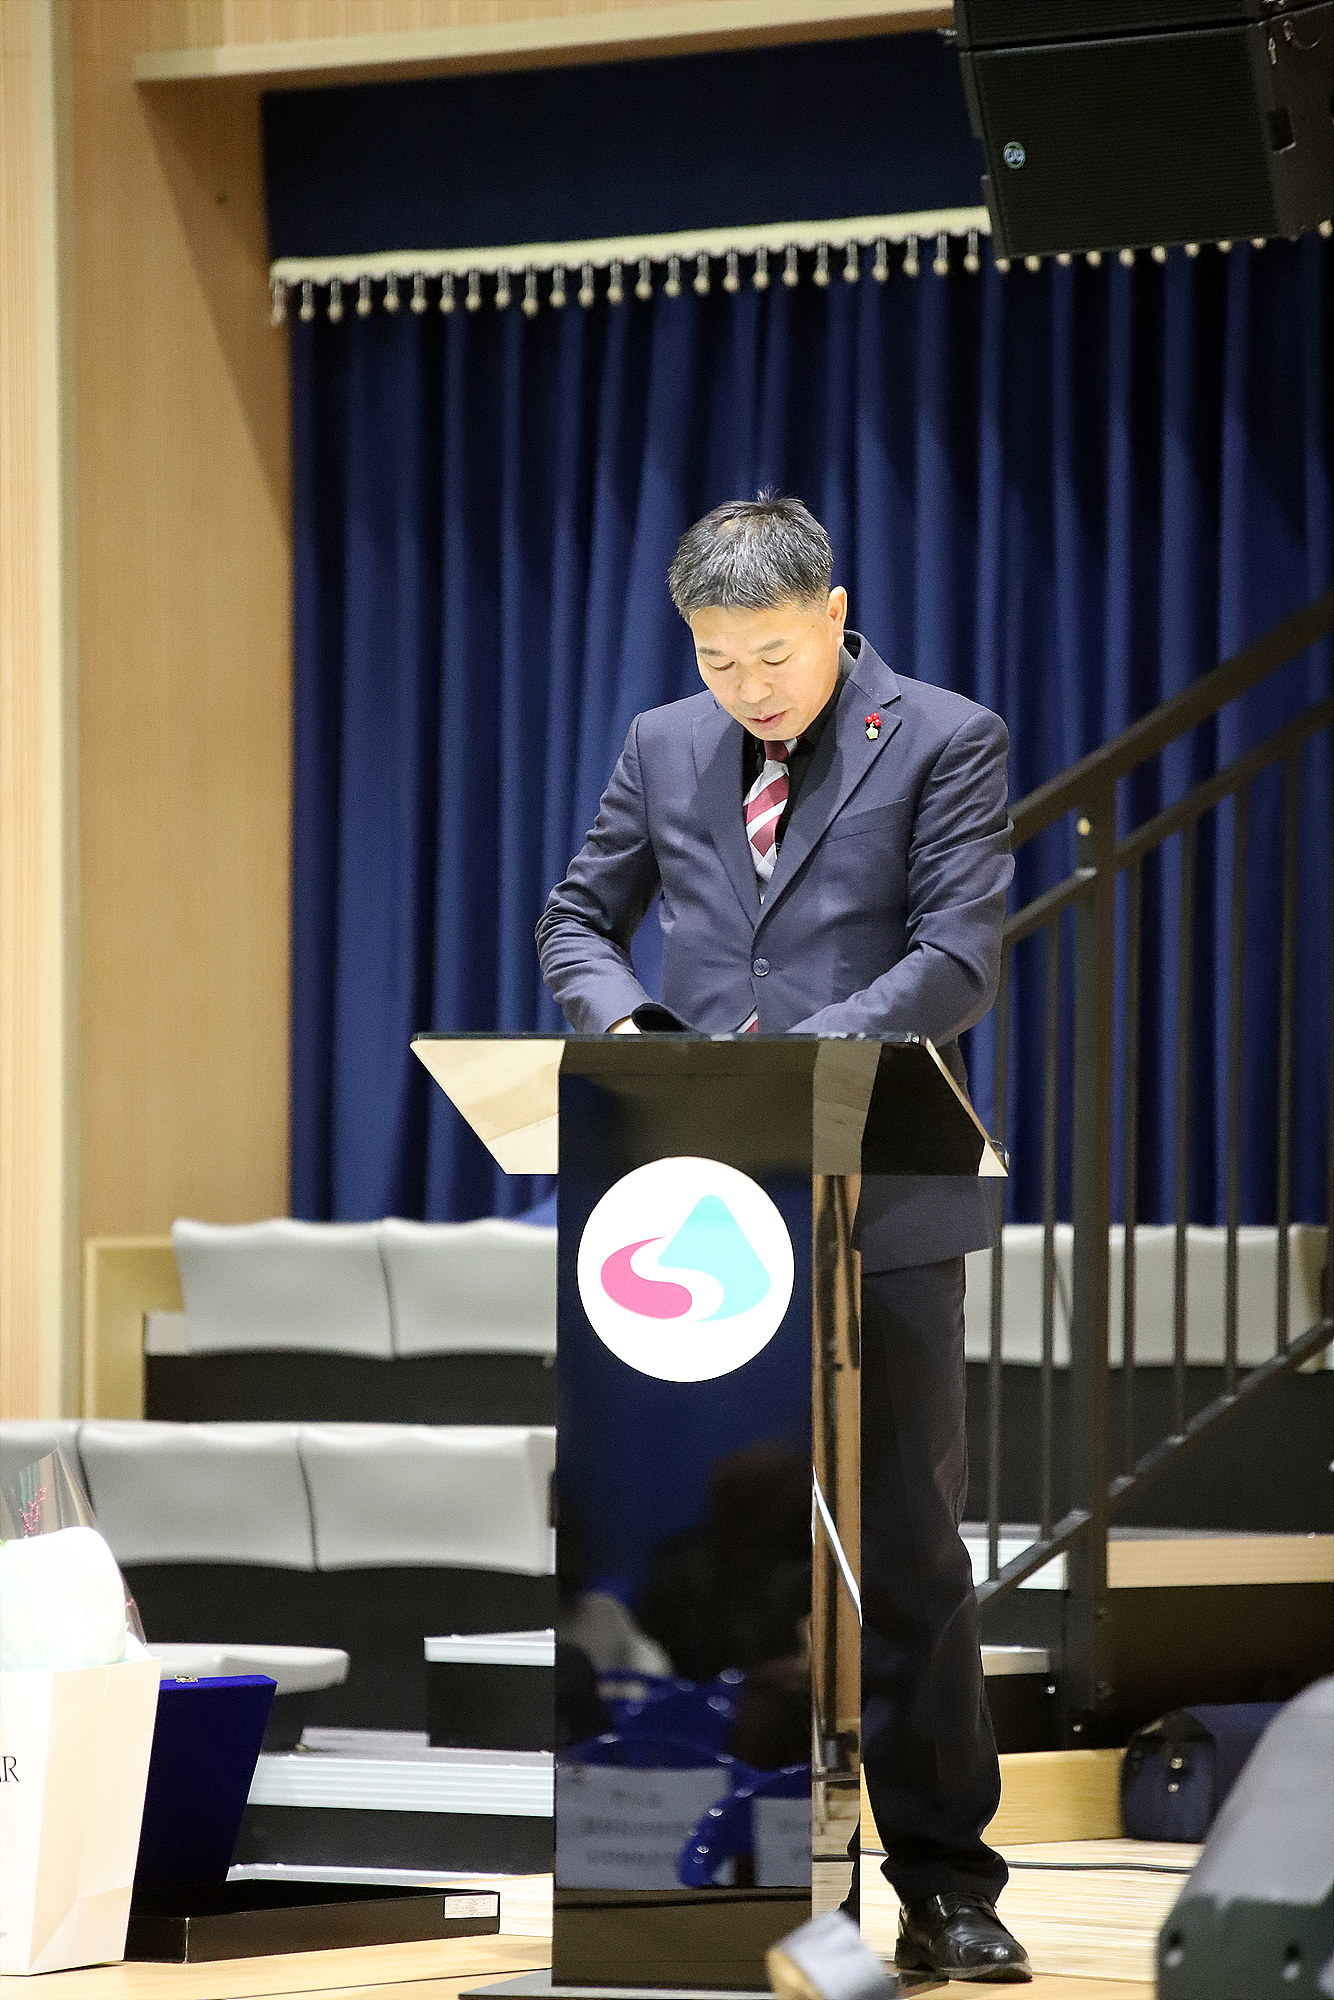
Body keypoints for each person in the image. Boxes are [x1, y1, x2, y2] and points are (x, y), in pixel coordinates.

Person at [536, 494, 1028, 1983]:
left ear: (834, 614)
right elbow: (576, 922)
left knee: (909, 1553)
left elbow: (955, 955)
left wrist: (801, 1067)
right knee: (725, 1538)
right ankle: (709, 1873)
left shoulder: (944, 738)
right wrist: (631, 1029)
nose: (745, 688)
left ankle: (945, 1884)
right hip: (698, 1206)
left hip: (878, 1197)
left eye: (771, 655)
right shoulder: (661, 745)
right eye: (715, 659)